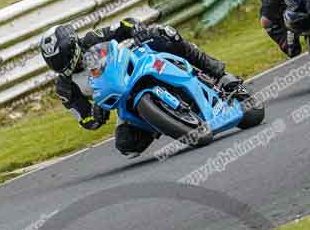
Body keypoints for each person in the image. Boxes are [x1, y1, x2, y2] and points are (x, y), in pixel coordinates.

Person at [39, 19, 241, 156]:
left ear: (72, 46)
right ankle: (163, 119)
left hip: (137, 64)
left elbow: (125, 24)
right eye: (54, 62)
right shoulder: (65, 89)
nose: (60, 65)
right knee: (125, 145)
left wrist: (137, 30)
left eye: (62, 58)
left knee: (163, 33)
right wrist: (97, 114)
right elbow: (86, 120)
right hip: (122, 99)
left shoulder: (93, 38)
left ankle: (218, 73)